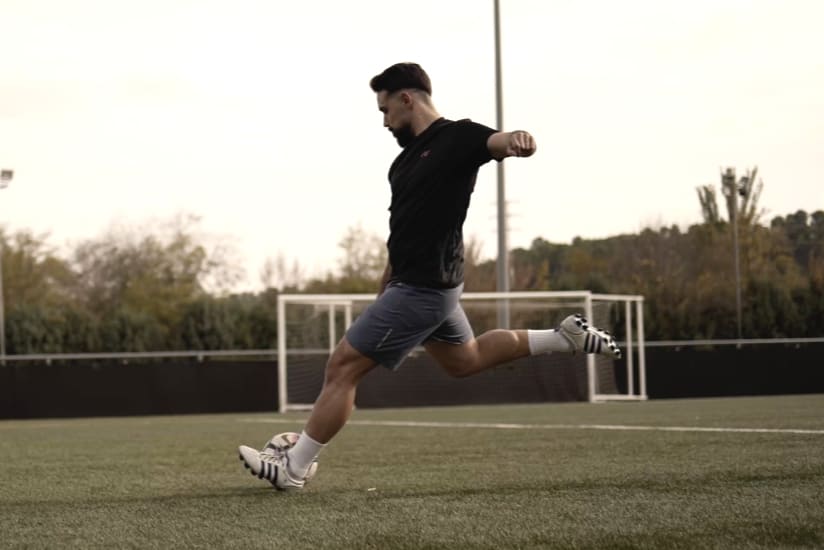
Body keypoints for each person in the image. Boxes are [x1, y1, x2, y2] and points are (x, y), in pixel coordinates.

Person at [239, 62, 620, 490]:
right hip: (421, 286)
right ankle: (562, 337)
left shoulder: (457, 136)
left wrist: (516, 141)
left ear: (408, 99)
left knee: (343, 366)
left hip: (424, 287)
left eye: (386, 110)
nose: (384, 121)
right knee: (466, 359)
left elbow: (494, 142)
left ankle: (294, 468)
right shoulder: (400, 165)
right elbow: (402, 229)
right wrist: (386, 281)